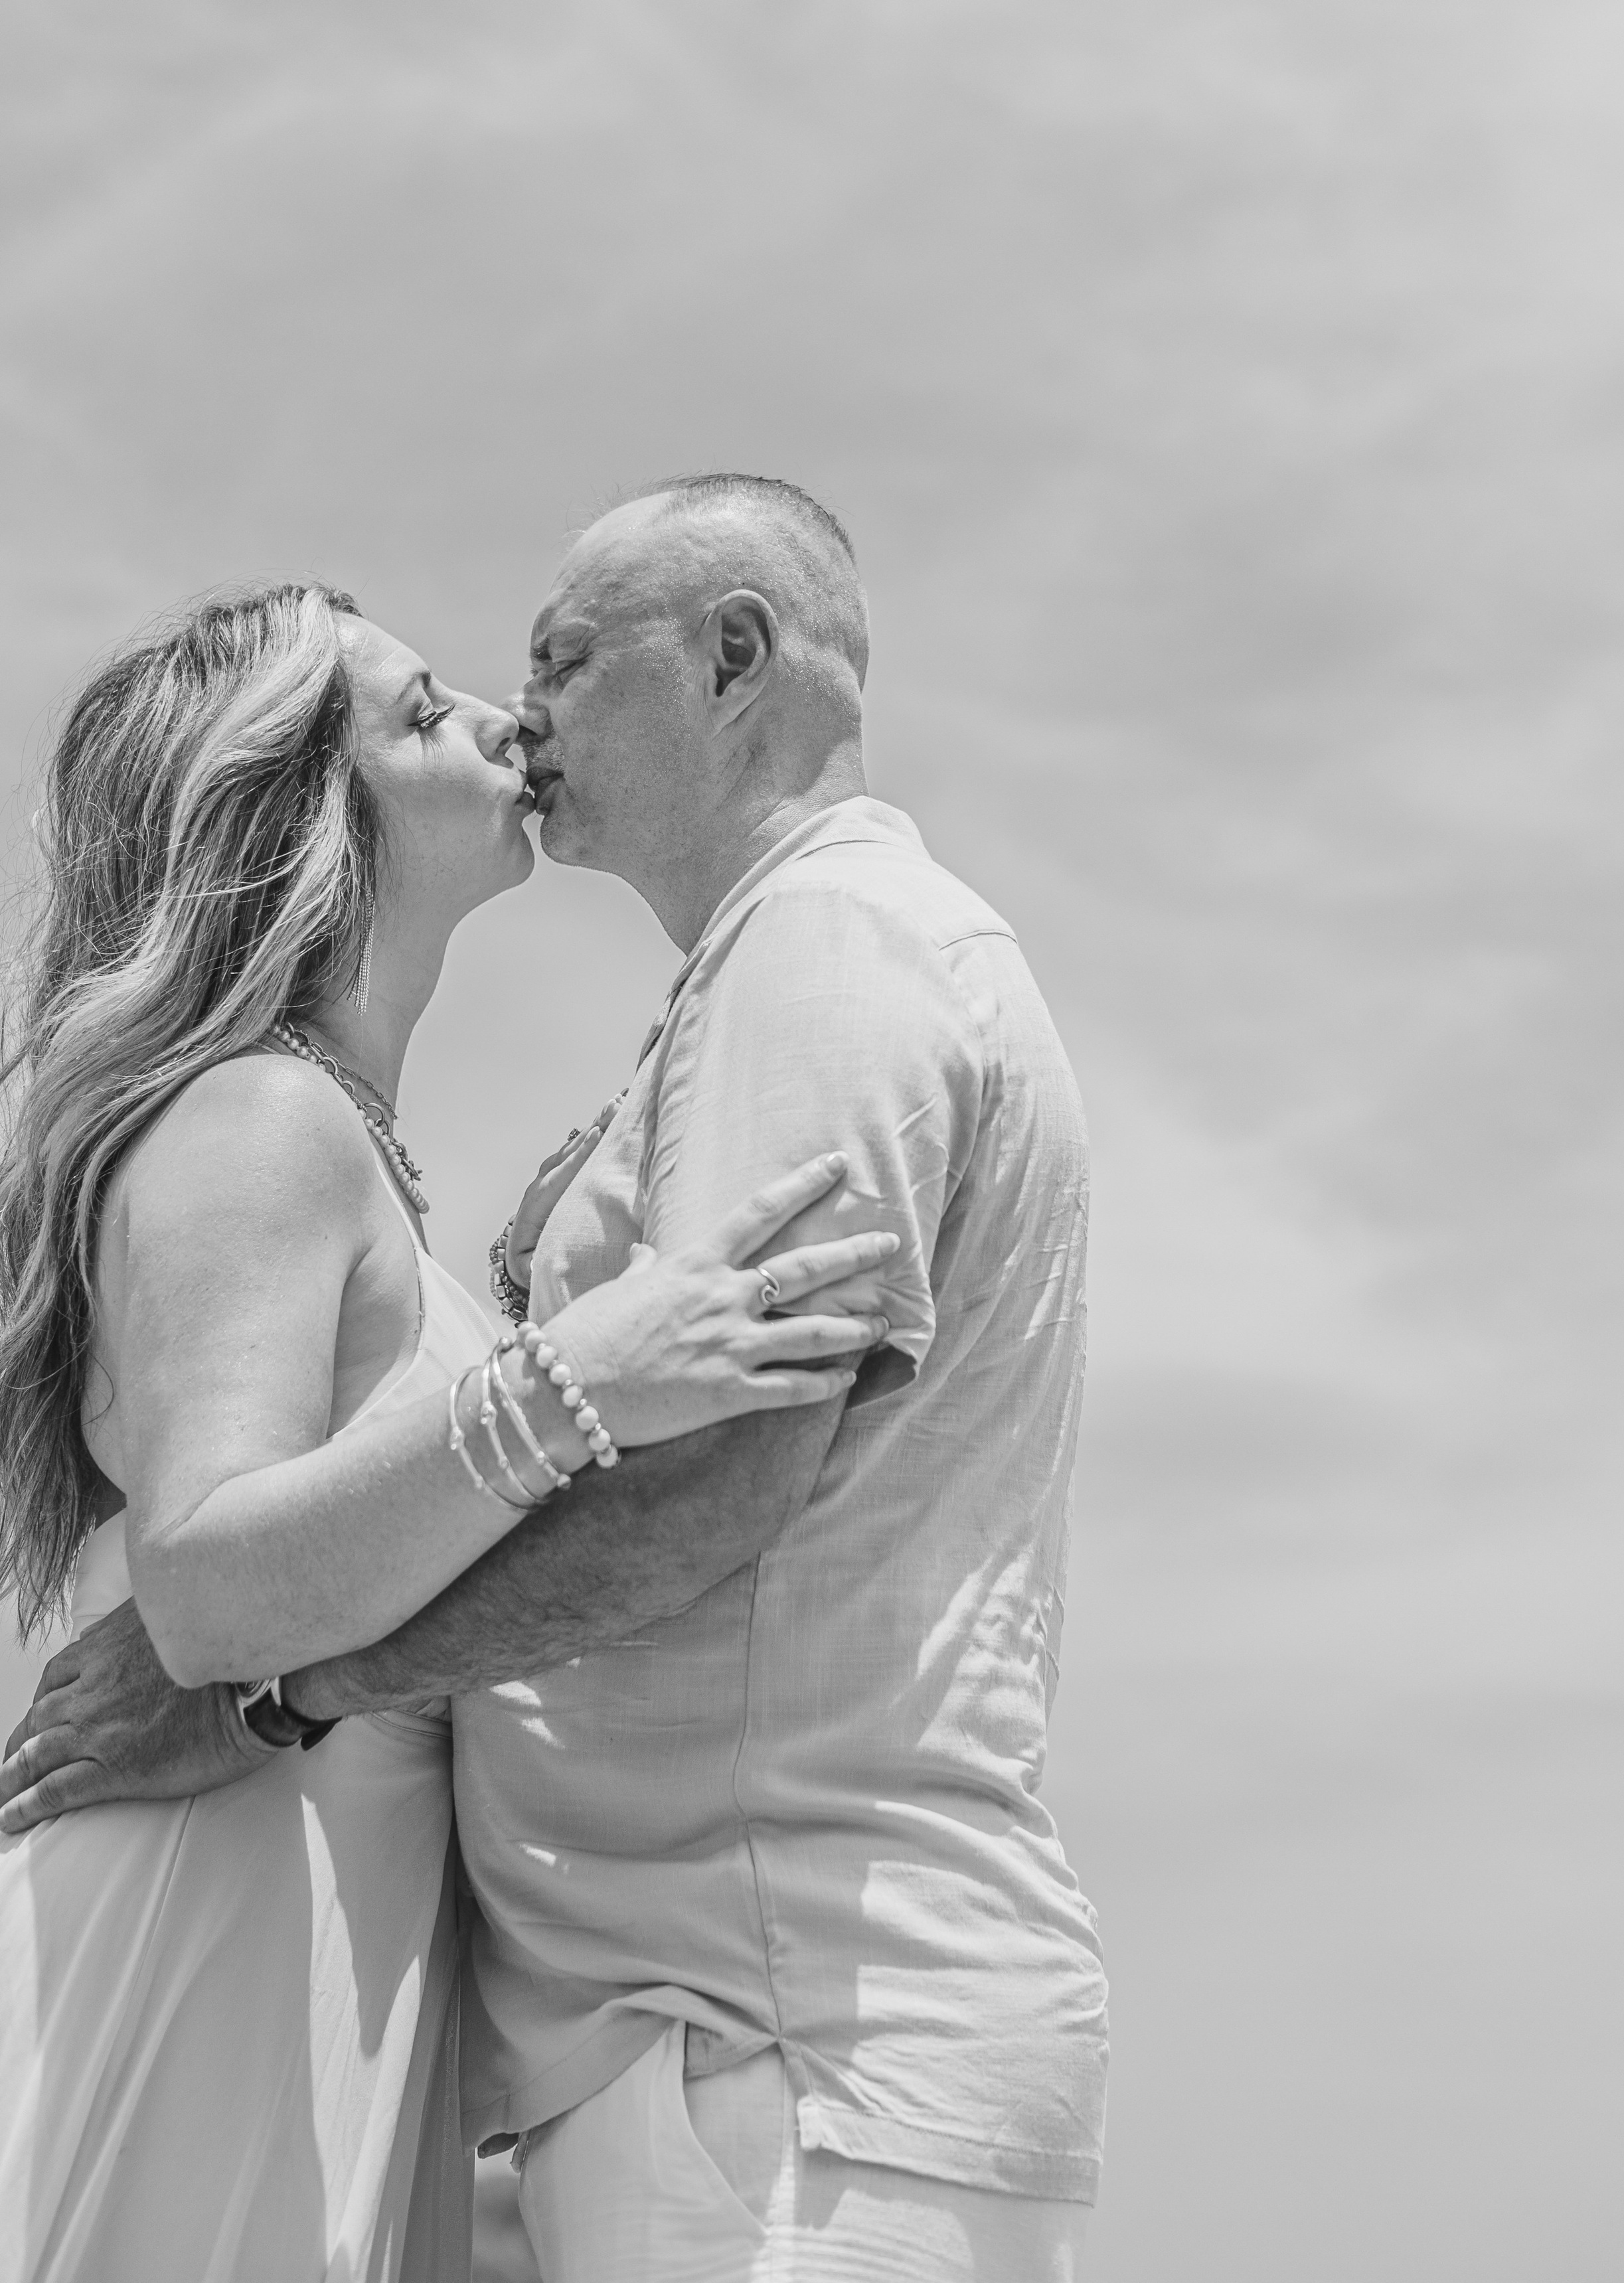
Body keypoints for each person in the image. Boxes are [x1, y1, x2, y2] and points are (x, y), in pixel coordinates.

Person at [7, 475, 1111, 2282]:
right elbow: (235, 1570)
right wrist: (556, 1353)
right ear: (313, 813)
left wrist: (283, 1695)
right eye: (439, 706)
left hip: (754, 2043)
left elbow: (720, 1475)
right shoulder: (276, 1123)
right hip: (363, 1969)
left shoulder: (815, 953)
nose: (516, 720)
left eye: (558, 663)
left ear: (733, 658)